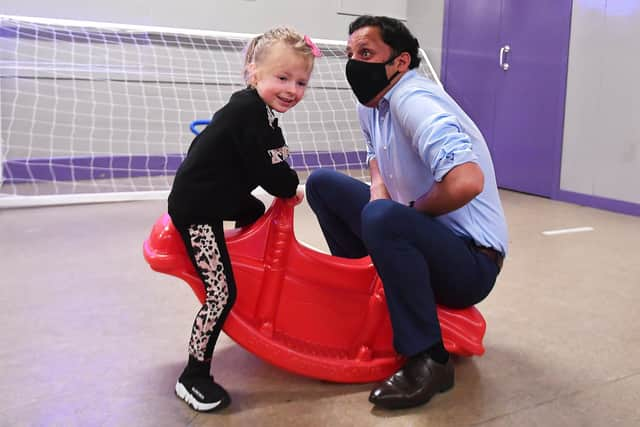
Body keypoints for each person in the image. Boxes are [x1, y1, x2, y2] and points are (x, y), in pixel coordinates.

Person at [305, 15, 508, 410]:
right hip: (425, 241)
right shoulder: (372, 103)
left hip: (471, 264)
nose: (354, 63)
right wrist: (380, 198)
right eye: (350, 54)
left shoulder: (414, 100)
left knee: (383, 219)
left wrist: (405, 212)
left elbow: (467, 181)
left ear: (400, 62)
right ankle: (365, 297)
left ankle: (429, 359)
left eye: (366, 53)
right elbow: (375, 161)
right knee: (323, 185)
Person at [167, 27, 321, 412]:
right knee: (221, 292)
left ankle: (243, 267)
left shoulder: (263, 113)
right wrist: (289, 187)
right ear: (255, 73)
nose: (292, 89)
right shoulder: (247, 112)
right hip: (198, 208)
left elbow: (275, 157)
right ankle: (193, 375)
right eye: (281, 78)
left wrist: (283, 174)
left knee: (252, 210)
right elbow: (275, 175)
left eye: (301, 82)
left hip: (224, 197)